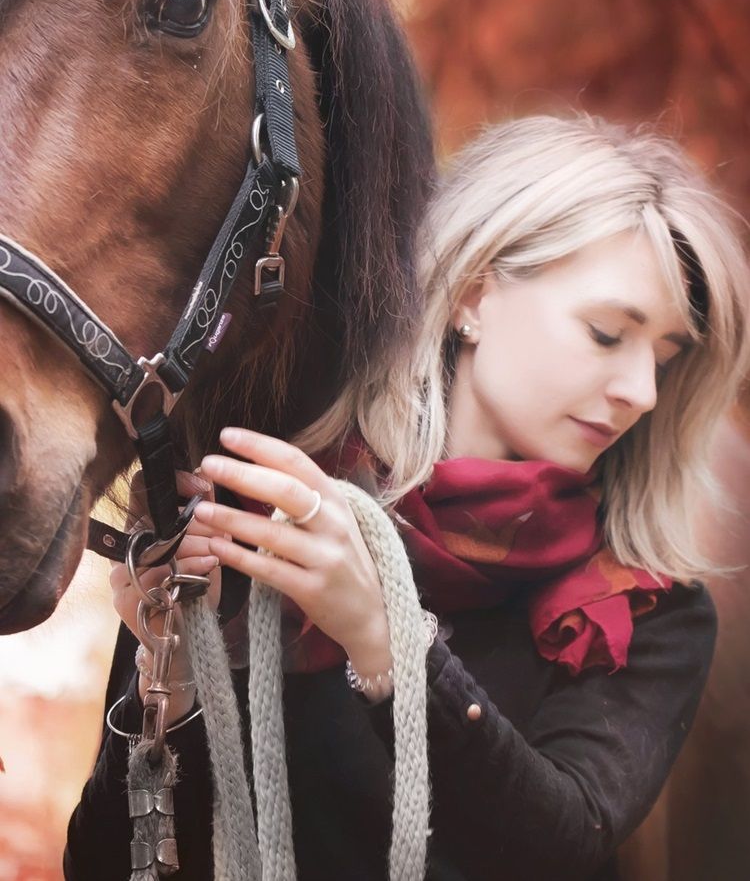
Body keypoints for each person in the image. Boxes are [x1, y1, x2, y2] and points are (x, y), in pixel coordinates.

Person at [65, 114, 750, 881]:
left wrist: (385, 640)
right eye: (606, 334)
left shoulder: (645, 611)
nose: (642, 391)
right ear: (473, 295)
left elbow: (559, 849)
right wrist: (169, 677)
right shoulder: (262, 514)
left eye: (666, 358)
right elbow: (103, 866)